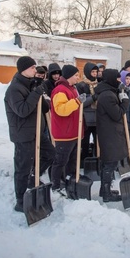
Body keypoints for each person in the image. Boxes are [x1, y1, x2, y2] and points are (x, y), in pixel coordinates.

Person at [3, 56, 56, 212]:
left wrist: (41, 95)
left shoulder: (30, 85)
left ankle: (32, 177)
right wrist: (36, 93)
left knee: (50, 154)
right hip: (22, 134)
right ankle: (20, 200)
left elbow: (44, 109)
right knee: (22, 167)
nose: (35, 70)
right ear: (23, 69)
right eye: (32, 68)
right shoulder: (14, 89)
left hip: (35, 131)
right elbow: (23, 110)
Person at [94, 69, 130, 202]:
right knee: (110, 163)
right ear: (110, 79)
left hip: (110, 132)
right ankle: (107, 194)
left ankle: (105, 190)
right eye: (117, 79)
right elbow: (116, 114)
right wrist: (125, 102)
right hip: (110, 133)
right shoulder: (107, 96)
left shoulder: (108, 92)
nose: (119, 81)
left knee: (109, 162)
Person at [49, 64, 86, 193]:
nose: (78, 77)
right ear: (69, 76)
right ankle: (56, 185)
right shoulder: (60, 90)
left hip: (73, 132)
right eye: (76, 75)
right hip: (64, 133)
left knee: (72, 160)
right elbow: (61, 110)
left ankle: (68, 180)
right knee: (61, 160)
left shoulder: (72, 88)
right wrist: (76, 102)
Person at [76, 62, 99, 166]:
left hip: (98, 118)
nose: (94, 74)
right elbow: (81, 103)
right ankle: (84, 162)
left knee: (98, 142)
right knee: (84, 142)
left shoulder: (99, 85)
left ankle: (96, 160)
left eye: (96, 72)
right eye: (92, 72)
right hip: (85, 119)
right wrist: (93, 98)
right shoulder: (81, 85)